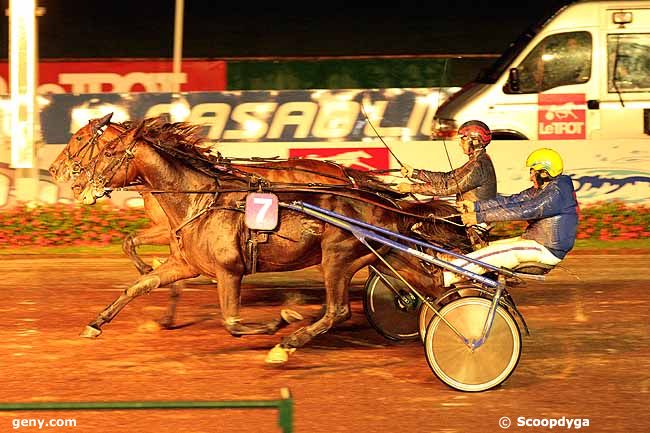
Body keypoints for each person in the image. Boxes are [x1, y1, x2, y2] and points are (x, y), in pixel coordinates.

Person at [443, 147, 578, 287]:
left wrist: (479, 217)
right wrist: (475, 206)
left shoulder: (555, 194)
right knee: (482, 248)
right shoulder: (546, 189)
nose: (530, 177)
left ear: (544, 173)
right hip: (534, 241)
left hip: (546, 250)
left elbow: (523, 210)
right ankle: (454, 272)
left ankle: (446, 275)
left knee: (493, 253)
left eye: (533, 172)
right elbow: (512, 201)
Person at [396, 120, 496, 202]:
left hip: (476, 221)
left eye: (463, 139)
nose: (460, 144)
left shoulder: (478, 165)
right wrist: (414, 173)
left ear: (475, 141)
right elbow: (446, 177)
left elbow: (447, 187)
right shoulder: (478, 160)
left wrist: (412, 188)